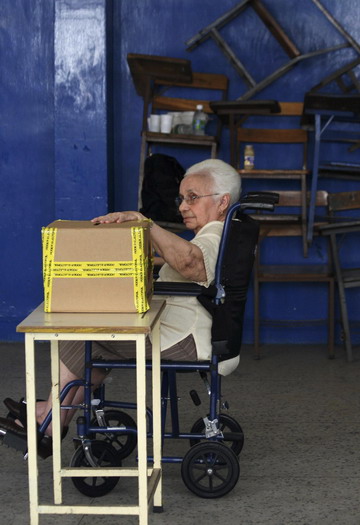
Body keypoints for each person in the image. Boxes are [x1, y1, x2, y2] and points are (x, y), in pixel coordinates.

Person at [0, 158, 241, 457]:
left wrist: (146, 223)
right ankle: (50, 415)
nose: (181, 207)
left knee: (84, 335)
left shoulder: (215, 234)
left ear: (222, 202)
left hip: (183, 335)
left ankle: (48, 419)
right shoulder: (221, 232)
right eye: (181, 198)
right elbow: (183, 262)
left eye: (192, 198)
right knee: (95, 347)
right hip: (184, 326)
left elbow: (193, 265)